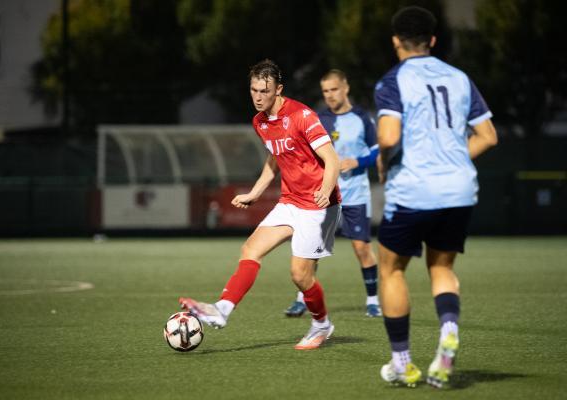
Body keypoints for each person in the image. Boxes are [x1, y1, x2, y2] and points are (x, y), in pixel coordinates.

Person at [179, 59, 342, 350]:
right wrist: (255, 192)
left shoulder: (303, 116)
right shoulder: (260, 122)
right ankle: (222, 309)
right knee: (250, 249)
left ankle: (322, 324)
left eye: (264, 91)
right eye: (253, 90)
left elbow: (332, 159)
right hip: (291, 200)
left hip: (319, 205)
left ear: (278, 89)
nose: (257, 96)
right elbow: (274, 159)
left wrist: (326, 189)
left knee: (300, 276)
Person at [374, 6, 498, 388]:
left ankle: (402, 364)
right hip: (459, 190)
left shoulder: (392, 82)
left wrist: (381, 159)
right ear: (432, 40)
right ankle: (447, 331)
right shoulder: (460, 78)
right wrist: (456, 155)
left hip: (413, 190)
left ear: (395, 41)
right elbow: (488, 136)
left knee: (391, 269)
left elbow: (390, 136)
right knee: (442, 269)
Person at [284, 69, 382, 318]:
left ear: (345, 88)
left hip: (356, 195)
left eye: (334, 89)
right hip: (324, 196)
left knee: (362, 249)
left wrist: (357, 162)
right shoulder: (318, 119)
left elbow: (376, 151)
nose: (329, 95)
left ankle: (373, 300)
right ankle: (302, 299)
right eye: (325, 91)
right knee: (311, 250)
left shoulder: (362, 118)